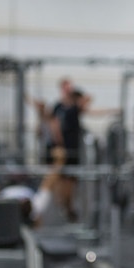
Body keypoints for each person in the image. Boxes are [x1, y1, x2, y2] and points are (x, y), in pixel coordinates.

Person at [50, 78, 84, 220]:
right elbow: (54, 126)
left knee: (71, 179)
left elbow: (87, 101)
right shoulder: (58, 107)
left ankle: (68, 206)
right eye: (66, 88)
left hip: (74, 148)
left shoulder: (75, 106)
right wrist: (60, 144)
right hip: (64, 148)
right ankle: (65, 205)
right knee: (61, 178)